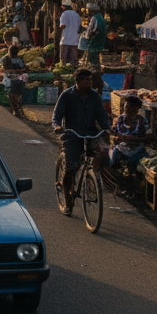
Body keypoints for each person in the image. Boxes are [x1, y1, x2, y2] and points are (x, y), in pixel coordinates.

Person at [51, 68, 110, 215]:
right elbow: (56, 115)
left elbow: (102, 115)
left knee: (104, 150)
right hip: (72, 134)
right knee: (70, 168)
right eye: (86, 80)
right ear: (77, 82)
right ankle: (67, 199)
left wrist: (108, 128)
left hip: (91, 133)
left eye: (90, 80)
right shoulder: (67, 95)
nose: (89, 82)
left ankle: (93, 175)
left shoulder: (94, 95)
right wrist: (57, 126)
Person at [103, 95, 153, 178]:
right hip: (122, 148)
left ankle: (132, 186)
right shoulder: (121, 119)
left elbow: (149, 137)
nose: (127, 110)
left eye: (131, 107)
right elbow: (115, 132)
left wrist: (134, 139)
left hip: (137, 148)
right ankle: (118, 183)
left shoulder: (142, 120)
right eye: (126, 107)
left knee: (134, 168)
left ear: (137, 109)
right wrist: (115, 136)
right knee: (113, 164)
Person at [2, 43, 28, 119]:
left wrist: (15, 71)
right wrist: (17, 71)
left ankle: (16, 110)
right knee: (12, 94)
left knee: (13, 94)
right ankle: (15, 110)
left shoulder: (18, 60)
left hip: (16, 79)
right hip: (12, 79)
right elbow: (7, 69)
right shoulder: (6, 59)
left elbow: (23, 69)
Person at [59, 0, 82, 65]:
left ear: (63, 6)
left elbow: (63, 25)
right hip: (75, 40)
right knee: (74, 60)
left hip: (65, 40)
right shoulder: (76, 14)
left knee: (63, 60)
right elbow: (80, 26)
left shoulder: (64, 14)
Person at [83, 3, 106, 67]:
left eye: (88, 11)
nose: (87, 13)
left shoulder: (95, 18)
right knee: (96, 58)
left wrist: (90, 35)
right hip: (99, 42)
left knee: (92, 59)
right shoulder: (100, 17)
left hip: (94, 43)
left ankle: (93, 70)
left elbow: (96, 29)